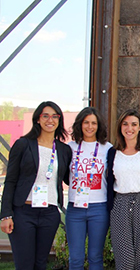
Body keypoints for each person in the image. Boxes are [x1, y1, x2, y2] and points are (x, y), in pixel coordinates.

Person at [0, 101, 72, 269]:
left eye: (55, 116)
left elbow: (69, 178)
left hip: (49, 214)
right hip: (24, 213)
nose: (50, 120)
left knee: (40, 264)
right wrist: (6, 215)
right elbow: (10, 181)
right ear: (38, 119)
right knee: (24, 264)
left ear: (59, 120)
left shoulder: (63, 150)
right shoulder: (23, 145)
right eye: (45, 116)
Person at [106, 109, 140, 270]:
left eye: (134, 124)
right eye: (125, 124)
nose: (130, 128)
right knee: (125, 261)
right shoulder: (113, 152)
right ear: (120, 127)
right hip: (120, 204)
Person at [66, 107, 112, 270]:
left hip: (99, 208)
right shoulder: (70, 148)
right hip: (75, 208)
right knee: (76, 258)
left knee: (95, 257)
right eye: (86, 122)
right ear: (80, 124)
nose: (90, 126)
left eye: (94, 123)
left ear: (99, 125)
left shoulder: (107, 148)